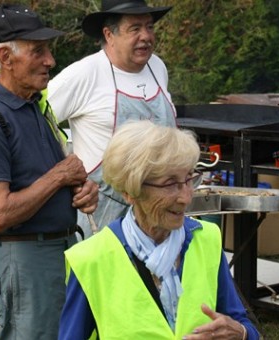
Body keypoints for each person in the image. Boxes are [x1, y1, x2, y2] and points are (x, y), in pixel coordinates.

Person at [0, 4, 98, 339]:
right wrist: (58, 177)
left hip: (64, 251)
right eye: (38, 51)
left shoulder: (37, 107)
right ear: (6, 57)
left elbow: (54, 181)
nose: (50, 60)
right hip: (27, 262)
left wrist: (82, 192)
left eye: (48, 50)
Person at [59, 120, 259, 340]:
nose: (185, 197)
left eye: (189, 179)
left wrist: (240, 333)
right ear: (131, 191)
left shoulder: (206, 239)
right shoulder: (91, 260)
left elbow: (243, 325)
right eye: (170, 184)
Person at [47, 0, 177, 237]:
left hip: (158, 212)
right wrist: (63, 175)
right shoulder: (85, 74)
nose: (146, 36)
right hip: (104, 217)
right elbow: (36, 121)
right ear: (109, 35)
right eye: (135, 28)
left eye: (149, 27)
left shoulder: (157, 68)